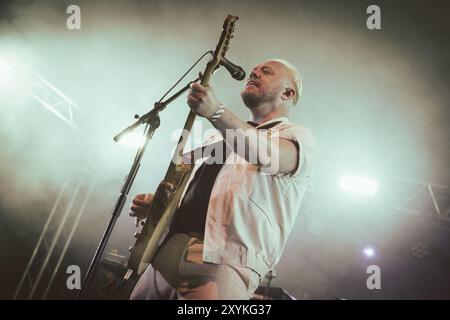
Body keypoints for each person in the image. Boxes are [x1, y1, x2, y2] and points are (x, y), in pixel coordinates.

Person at [129, 58, 318, 300]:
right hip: (165, 253)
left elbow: (265, 154)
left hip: (222, 263)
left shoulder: (297, 136)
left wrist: (216, 112)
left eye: (266, 72)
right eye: (254, 70)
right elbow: (199, 196)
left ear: (288, 92)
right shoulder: (214, 137)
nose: (255, 73)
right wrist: (160, 208)